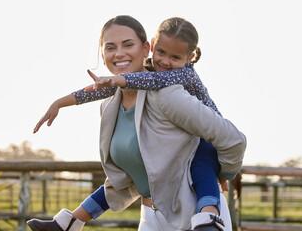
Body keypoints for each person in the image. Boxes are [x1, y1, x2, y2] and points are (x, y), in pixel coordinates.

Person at [27, 15, 246, 231]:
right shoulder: (111, 104)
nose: (119, 53)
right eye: (110, 47)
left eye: (128, 44)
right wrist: (59, 103)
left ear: (145, 48)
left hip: (192, 218)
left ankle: (209, 213)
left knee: (204, 155)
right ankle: (69, 223)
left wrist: (223, 172)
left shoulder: (167, 91)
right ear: (103, 55)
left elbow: (233, 140)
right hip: (151, 217)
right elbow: (128, 177)